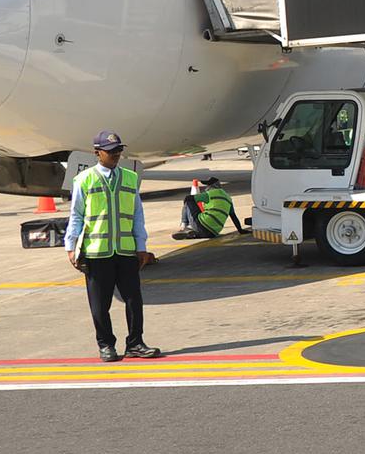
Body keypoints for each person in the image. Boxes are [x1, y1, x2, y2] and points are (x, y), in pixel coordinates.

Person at [65, 130, 161, 362]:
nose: (116, 155)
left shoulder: (129, 178)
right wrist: (71, 246)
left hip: (126, 251)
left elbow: (138, 215)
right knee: (100, 305)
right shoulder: (83, 180)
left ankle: (135, 343)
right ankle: (106, 344)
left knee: (134, 301)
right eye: (110, 151)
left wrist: (141, 246)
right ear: (97, 153)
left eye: (118, 150)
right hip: (97, 252)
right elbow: (76, 215)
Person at [173, 177, 248, 239]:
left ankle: (184, 226)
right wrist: (240, 230)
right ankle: (195, 234)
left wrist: (187, 211)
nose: (206, 188)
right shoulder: (228, 198)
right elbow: (233, 217)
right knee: (202, 217)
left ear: (212, 186)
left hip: (202, 225)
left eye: (208, 185)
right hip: (214, 232)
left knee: (189, 200)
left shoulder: (209, 194)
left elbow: (188, 198)